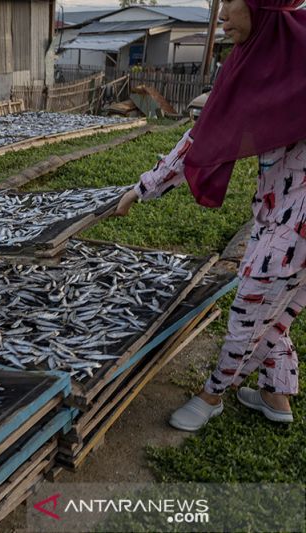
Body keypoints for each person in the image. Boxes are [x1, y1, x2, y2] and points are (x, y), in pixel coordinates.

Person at [116, 0, 306, 430]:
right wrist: (141, 188)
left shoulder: (293, 61)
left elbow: (200, 141)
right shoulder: (254, 60)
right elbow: (205, 135)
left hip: (298, 223)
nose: (220, 16)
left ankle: (212, 395)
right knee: (277, 306)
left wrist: (139, 190)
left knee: (251, 305)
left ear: (261, 9)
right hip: (276, 210)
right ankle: (276, 394)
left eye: (230, 4)